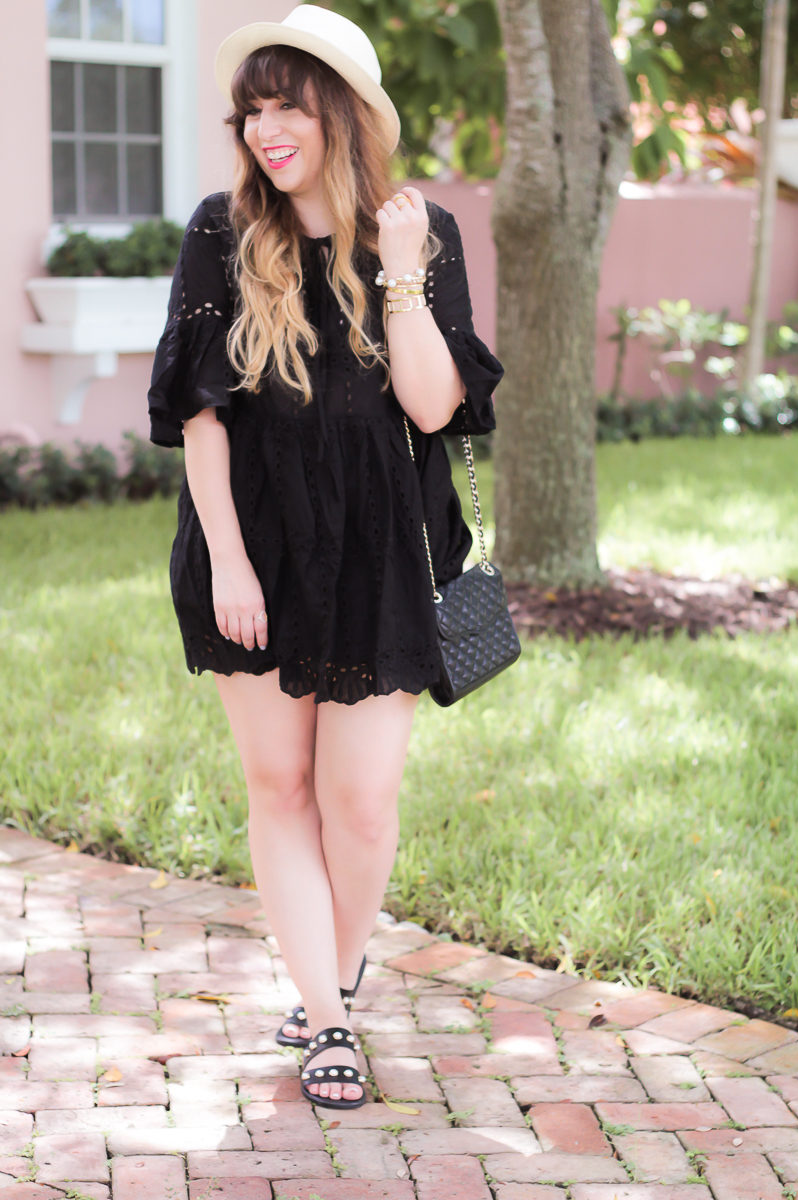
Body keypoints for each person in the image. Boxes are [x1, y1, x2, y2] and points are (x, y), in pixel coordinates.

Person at [147, 4, 502, 1110]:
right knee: (277, 782)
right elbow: (200, 421)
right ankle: (331, 1020)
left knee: (357, 802)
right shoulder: (220, 232)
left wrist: (398, 269)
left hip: (380, 546)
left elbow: (434, 405)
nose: (264, 130)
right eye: (250, 111)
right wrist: (229, 562)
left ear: (339, 113)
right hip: (250, 542)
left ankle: (327, 980)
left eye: (286, 105)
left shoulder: (417, 228)